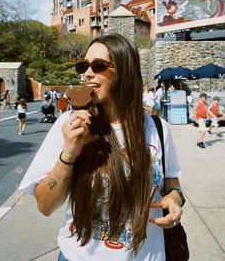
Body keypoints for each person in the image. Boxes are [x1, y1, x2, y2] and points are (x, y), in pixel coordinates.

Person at [19, 33, 184, 261]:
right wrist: (69, 153)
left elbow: (171, 181)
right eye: (84, 66)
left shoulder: (158, 128)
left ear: (124, 71)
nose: (87, 74)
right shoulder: (69, 125)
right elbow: (45, 206)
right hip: (78, 256)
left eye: (98, 66)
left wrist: (175, 198)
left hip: (149, 255)